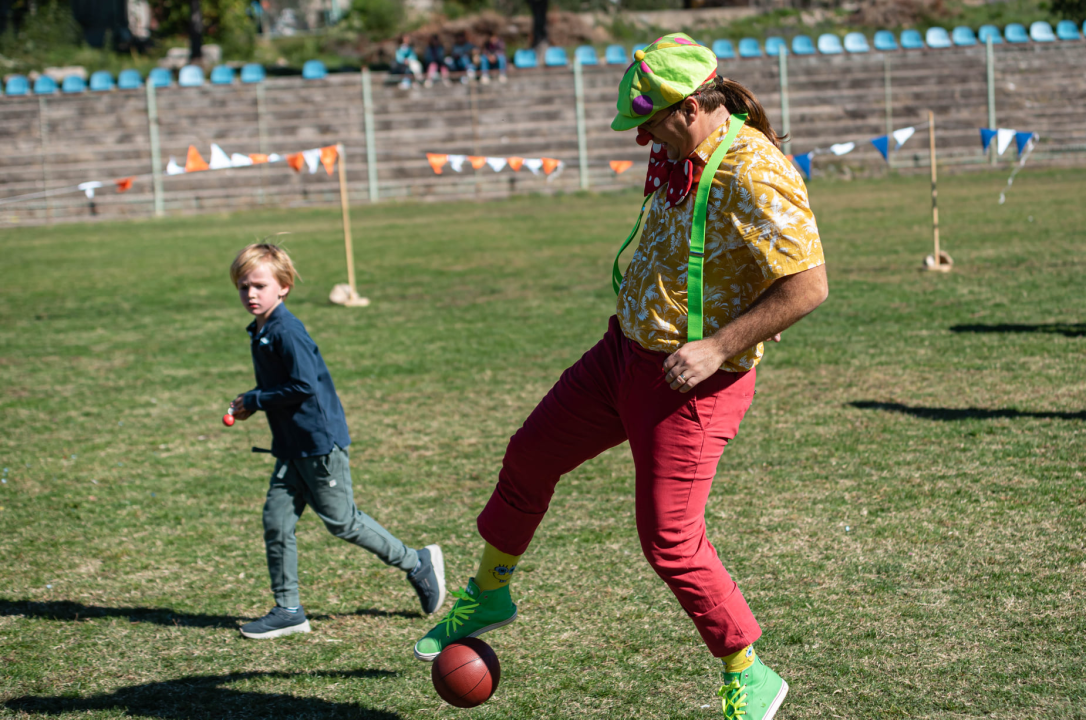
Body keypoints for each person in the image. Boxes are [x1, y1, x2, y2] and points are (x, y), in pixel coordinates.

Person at [412, 33, 828, 720]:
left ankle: (749, 671)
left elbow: (808, 285)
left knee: (670, 540)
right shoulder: (677, 152)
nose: (641, 139)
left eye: (650, 122)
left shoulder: (754, 169)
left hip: (692, 384)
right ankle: (489, 591)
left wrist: (719, 347)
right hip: (621, 357)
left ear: (692, 108)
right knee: (529, 456)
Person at [228, 243, 446, 639]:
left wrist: (257, 400)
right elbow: (281, 386)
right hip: (290, 447)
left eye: (259, 285)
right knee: (276, 522)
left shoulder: (286, 330)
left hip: (318, 446)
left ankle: (417, 562)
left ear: (285, 287)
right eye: (243, 287)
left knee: (343, 522)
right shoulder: (260, 330)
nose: (251, 294)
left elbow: (302, 385)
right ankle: (289, 609)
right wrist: (251, 403)